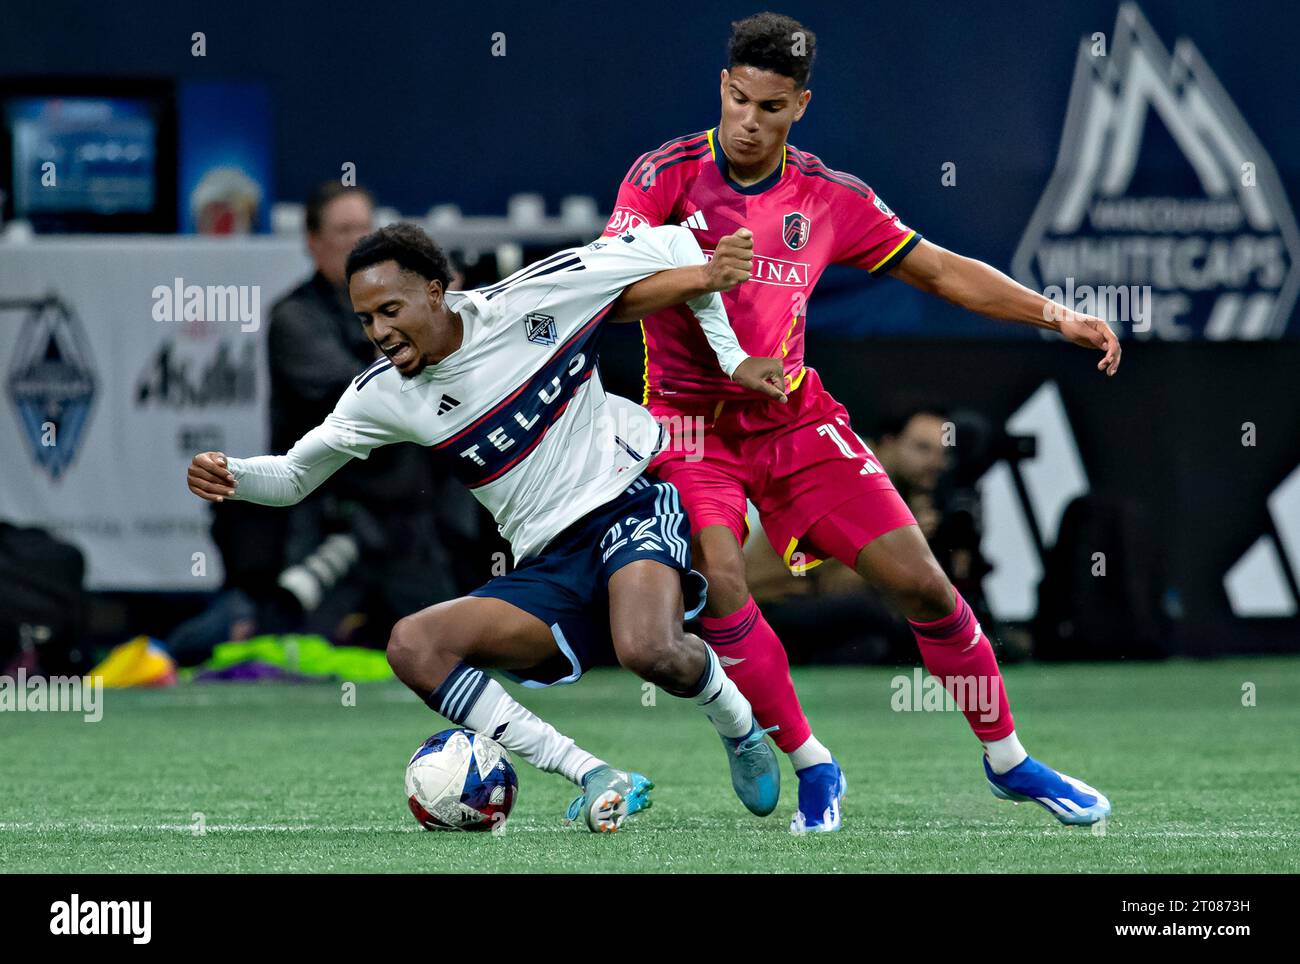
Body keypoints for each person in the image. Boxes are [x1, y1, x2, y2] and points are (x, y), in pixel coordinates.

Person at [604, 11, 1117, 832]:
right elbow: (613, 295)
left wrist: (1056, 317)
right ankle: (811, 761)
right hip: (690, 427)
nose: (748, 121)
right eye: (737, 100)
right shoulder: (662, 176)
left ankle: (1010, 761)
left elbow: (943, 272)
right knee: (725, 582)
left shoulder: (828, 196)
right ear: (722, 88)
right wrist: (699, 271)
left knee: (923, 585)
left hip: (796, 420)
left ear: (799, 106)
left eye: (770, 108)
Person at [187, 220, 790, 832]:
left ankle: (738, 725)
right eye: (366, 319)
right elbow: (294, 476)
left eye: (390, 310)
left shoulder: (535, 300)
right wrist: (235, 475)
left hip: (627, 502)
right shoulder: (383, 395)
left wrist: (728, 344)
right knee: (413, 645)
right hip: (547, 560)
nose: (379, 332)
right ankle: (593, 773)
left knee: (649, 649)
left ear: (435, 291)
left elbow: (674, 244)